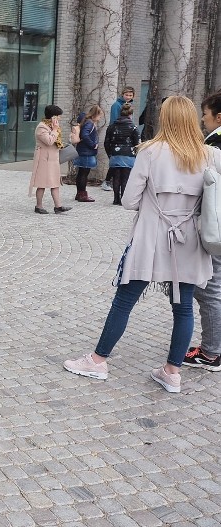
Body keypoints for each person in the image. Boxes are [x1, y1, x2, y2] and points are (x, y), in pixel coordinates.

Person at [64, 95, 221, 393]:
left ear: (164, 119)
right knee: (183, 306)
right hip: (189, 241)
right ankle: (172, 372)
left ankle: (98, 360)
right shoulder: (211, 155)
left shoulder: (150, 151)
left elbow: (130, 200)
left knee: (124, 300)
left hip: (151, 238)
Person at [186, 90, 221, 371]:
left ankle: (211, 353)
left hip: (216, 227)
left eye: (205, 115)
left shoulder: (216, 145)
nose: (202, 120)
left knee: (210, 289)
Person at [28, 105, 71, 214]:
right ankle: (38, 206)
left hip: (53, 159)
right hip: (44, 158)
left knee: (55, 182)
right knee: (42, 183)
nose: (59, 119)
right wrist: (55, 129)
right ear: (52, 116)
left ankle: (58, 206)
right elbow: (49, 141)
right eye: (58, 116)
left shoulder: (52, 126)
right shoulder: (41, 127)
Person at [103, 104, 140, 206]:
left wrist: (110, 154)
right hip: (128, 155)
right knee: (125, 178)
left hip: (115, 154)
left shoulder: (112, 126)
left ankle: (116, 199)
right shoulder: (133, 127)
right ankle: (123, 198)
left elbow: (106, 142)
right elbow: (137, 143)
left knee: (116, 178)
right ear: (130, 114)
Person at [102, 86, 135, 191]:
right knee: (116, 161)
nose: (128, 97)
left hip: (126, 135)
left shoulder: (130, 104)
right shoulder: (117, 105)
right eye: (126, 95)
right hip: (118, 136)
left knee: (119, 162)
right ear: (122, 94)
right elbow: (114, 121)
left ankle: (110, 181)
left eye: (130, 95)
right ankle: (107, 181)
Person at [74, 105, 104, 203]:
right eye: (99, 116)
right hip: (87, 151)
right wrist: (93, 145)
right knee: (84, 173)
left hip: (81, 150)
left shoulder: (85, 121)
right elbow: (85, 135)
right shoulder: (89, 123)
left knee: (81, 173)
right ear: (95, 114)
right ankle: (82, 194)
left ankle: (79, 193)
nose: (100, 118)